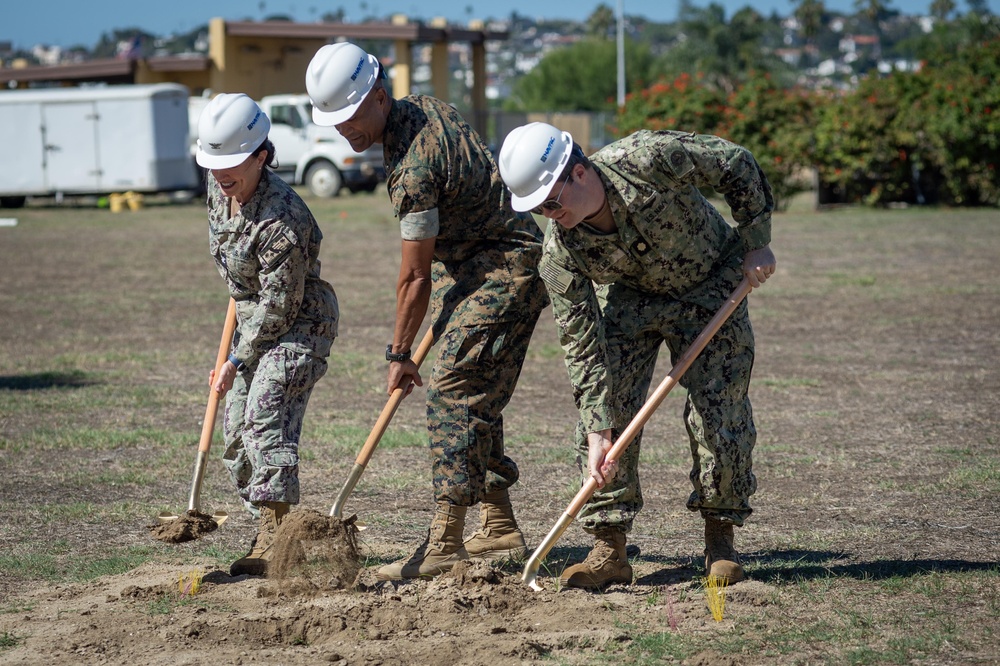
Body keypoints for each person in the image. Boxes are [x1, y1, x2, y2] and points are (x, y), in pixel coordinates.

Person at [305, 42, 549, 581]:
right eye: (334, 120)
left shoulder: (413, 169)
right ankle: (498, 519)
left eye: (348, 115)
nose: (343, 129)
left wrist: (399, 353)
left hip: (507, 266)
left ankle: (446, 540)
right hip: (472, 264)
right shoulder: (420, 106)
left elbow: (413, 277)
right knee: (476, 386)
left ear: (375, 93)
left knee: (453, 390)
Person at [498, 122, 776, 590]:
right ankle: (610, 548)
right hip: (630, 301)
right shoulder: (559, 252)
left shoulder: (649, 158)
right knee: (608, 424)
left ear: (580, 173)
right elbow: (580, 342)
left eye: (552, 201)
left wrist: (757, 238)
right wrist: (596, 428)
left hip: (712, 284)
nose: (550, 214)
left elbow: (735, 163)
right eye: (538, 208)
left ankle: (720, 541)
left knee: (719, 413)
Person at [195, 93, 339, 577]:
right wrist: (238, 313)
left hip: (301, 323)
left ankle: (278, 540)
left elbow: (280, 305)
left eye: (231, 164)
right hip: (251, 318)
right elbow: (238, 272)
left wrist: (236, 360)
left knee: (264, 412)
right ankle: (268, 521)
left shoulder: (286, 219)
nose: (219, 174)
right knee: (235, 435)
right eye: (212, 163)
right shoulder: (219, 188)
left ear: (261, 155)